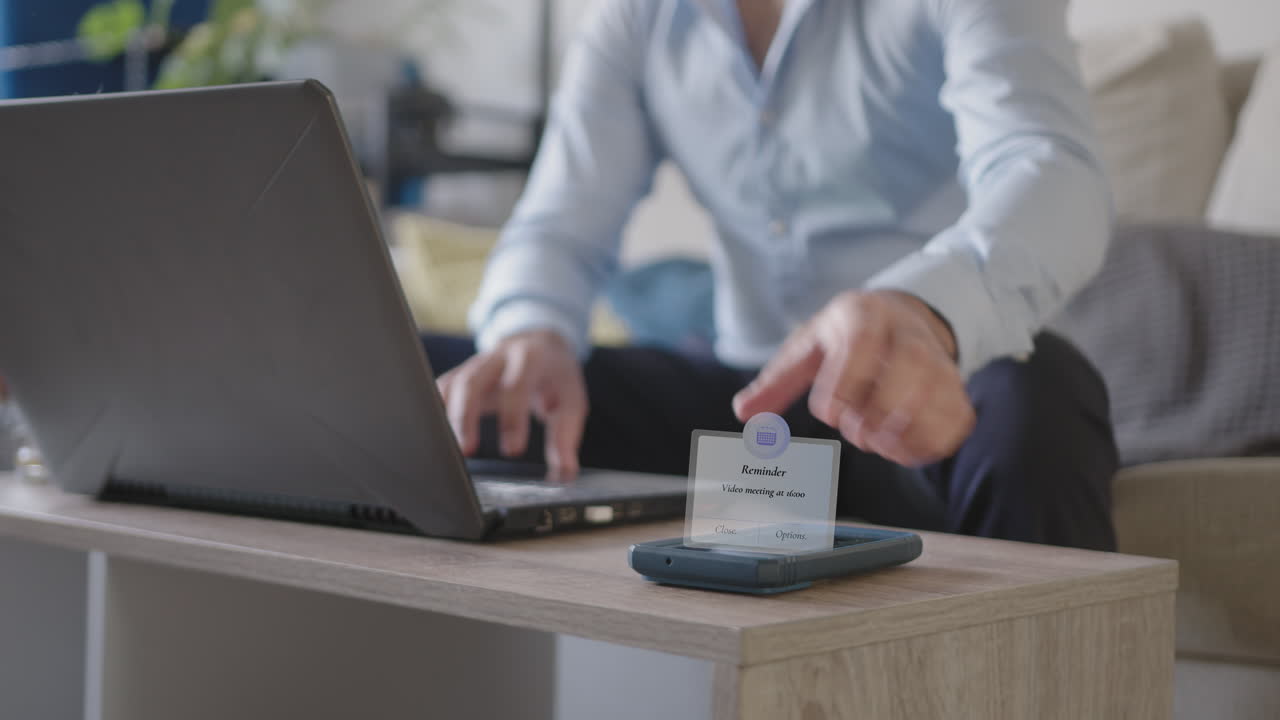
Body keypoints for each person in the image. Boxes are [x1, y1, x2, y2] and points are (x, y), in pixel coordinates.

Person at [427, 0, 1118, 550]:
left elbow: (1051, 170)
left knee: (1037, 401)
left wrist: (920, 309)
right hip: (747, 408)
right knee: (441, 388)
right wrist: (531, 331)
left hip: (933, 395)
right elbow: (559, 225)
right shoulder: (634, 18)